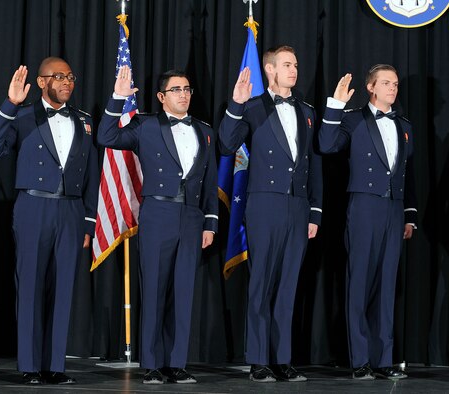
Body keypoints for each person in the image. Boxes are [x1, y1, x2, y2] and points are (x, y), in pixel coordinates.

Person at [98, 66, 218, 384]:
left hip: (192, 217)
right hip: (158, 214)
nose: (183, 94)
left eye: (187, 89)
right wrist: (117, 98)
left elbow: (209, 181)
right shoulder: (146, 125)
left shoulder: (205, 130)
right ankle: (151, 364)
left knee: (183, 293)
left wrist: (210, 221)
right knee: (153, 289)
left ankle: (176, 363)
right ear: (162, 96)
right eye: (176, 89)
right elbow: (106, 136)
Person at [0, 58, 98, 385]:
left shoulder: (84, 121)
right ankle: (30, 365)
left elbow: (92, 173)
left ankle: (55, 365)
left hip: (72, 211)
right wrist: (9, 104)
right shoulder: (21, 117)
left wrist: (88, 221)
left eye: (70, 77)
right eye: (59, 77)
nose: (67, 82)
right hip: (33, 205)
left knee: (63, 289)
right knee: (31, 285)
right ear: (41, 81)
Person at [218, 46, 323, 383]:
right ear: (270, 69)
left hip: (298, 206)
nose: (294, 70)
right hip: (263, 204)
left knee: (289, 284)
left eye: (296, 64)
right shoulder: (252, 108)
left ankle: (283, 359)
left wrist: (315, 212)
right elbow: (225, 144)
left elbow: (314, 163)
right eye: (287, 65)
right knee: (262, 283)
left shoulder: (307, 111)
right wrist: (235, 105)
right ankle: (259, 360)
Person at [319, 65, 416, 380]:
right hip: (363, 206)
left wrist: (409, 215)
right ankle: (360, 360)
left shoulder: (404, 125)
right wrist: (335, 106)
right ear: (371, 87)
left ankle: (383, 359)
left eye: (396, 84)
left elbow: (406, 171)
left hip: (394, 209)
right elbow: (326, 144)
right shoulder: (352, 119)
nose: (393, 88)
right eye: (386, 83)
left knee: (387, 286)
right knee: (359, 283)